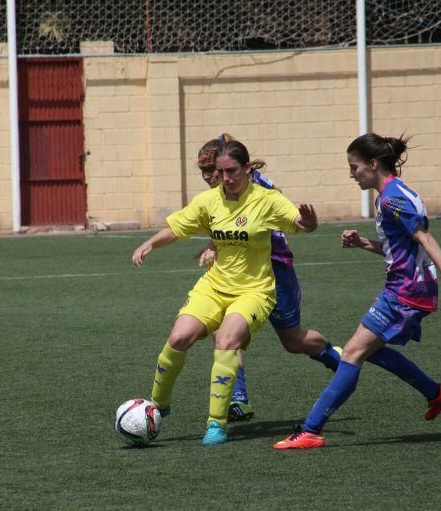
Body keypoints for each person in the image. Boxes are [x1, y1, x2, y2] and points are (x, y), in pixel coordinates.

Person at [274, 132, 441, 450]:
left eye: (354, 167)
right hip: (408, 287)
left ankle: (311, 430)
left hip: (405, 291)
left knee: (352, 353)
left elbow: (424, 239)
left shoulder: (391, 198)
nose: (351, 173)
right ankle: (435, 392)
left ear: (372, 164)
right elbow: (401, 248)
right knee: (372, 350)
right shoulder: (395, 192)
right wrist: (362, 243)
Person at [132, 139, 318, 446]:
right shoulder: (209, 201)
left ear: (247, 169)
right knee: (179, 338)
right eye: (221, 172)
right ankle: (156, 405)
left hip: (254, 291)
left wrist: (308, 223)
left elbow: (298, 221)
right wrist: (149, 243)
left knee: (228, 338)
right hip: (215, 286)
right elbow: (178, 227)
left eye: (231, 171)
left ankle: (216, 424)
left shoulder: (267, 200)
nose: (225, 178)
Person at [194, 135, 344, 423]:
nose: (209, 178)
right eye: (205, 173)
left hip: (275, 269)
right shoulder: (220, 192)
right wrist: (214, 245)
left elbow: (273, 207)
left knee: (293, 341)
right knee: (224, 333)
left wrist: (301, 220)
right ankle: (237, 399)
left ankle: (338, 359)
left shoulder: (256, 184)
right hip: (238, 275)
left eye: (212, 171)